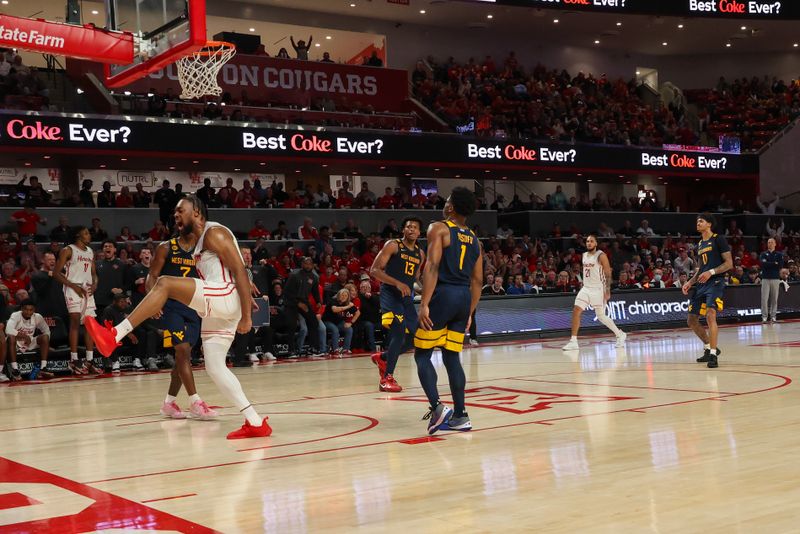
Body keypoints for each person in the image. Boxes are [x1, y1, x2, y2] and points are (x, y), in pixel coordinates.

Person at [84, 196, 271, 439]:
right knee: (215, 367)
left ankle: (114, 334)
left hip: (224, 297)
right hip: (221, 302)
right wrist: (240, 302)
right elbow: (235, 272)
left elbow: (239, 269)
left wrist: (245, 313)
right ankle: (255, 422)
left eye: (180, 211)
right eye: (174, 212)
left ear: (197, 212)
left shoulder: (215, 233)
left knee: (165, 284)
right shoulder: (198, 242)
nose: (175, 215)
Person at [413, 187, 482, 434]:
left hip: (443, 295)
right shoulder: (475, 239)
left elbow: (431, 267)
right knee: (452, 356)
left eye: (448, 201)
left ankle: (438, 408)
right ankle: (461, 415)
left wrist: (424, 304)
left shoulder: (439, 228)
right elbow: (477, 281)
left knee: (422, 355)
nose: (445, 203)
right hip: (463, 298)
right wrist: (470, 312)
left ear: (451, 207)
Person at [145, 231, 216, 418]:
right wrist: (154, 301)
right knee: (182, 351)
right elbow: (151, 276)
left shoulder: (202, 250)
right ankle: (196, 402)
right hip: (171, 307)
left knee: (183, 357)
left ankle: (168, 403)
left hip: (194, 307)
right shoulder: (166, 247)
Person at [369, 217, 424, 393]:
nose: (411, 229)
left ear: (419, 232)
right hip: (390, 295)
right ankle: (386, 378)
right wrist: (397, 283)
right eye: (408, 227)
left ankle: (383, 358)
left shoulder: (420, 254)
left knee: (416, 336)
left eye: (415, 227)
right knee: (399, 332)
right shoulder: (393, 245)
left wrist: (423, 290)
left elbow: (413, 280)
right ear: (403, 230)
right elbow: (375, 270)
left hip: (406, 298)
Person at [682, 213, 733, 369]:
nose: (698, 223)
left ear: (709, 224)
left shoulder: (719, 239)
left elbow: (729, 264)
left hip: (715, 282)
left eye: (701, 221)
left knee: (710, 314)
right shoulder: (700, 244)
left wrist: (711, 272)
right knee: (691, 320)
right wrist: (690, 282)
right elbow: (700, 270)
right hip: (701, 284)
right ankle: (709, 347)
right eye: (697, 221)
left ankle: (712, 355)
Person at [562, 235, 626, 351]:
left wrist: (607, 290)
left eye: (591, 241)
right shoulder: (584, 255)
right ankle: (573, 341)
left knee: (601, 316)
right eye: (587, 241)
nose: (589, 243)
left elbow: (607, 273)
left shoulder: (601, 255)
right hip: (586, 288)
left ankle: (620, 334)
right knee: (576, 310)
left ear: (596, 243)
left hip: (598, 289)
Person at [53, 226, 102, 375]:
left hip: (87, 289)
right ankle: (73, 360)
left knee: (90, 325)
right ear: (77, 235)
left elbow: (94, 274)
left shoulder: (90, 251)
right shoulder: (68, 250)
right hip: (72, 288)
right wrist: (74, 286)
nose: (89, 235)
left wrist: (95, 285)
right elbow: (56, 273)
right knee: (74, 322)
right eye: (86, 233)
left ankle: (89, 360)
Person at [4, 299, 52, 381]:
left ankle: (43, 368)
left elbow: (47, 331)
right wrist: (25, 336)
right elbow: (8, 330)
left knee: (45, 337)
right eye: (26, 309)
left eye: (31, 310)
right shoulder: (15, 315)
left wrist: (46, 344)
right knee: (11, 337)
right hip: (16, 343)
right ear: (21, 309)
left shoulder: (37, 317)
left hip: (29, 342)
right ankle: (15, 369)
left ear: (34, 310)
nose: (28, 312)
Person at [760, 237, 783, 323]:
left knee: (774, 299)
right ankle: (764, 317)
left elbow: (780, 265)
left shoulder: (779, 254)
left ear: (775, 244)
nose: (770, 244)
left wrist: (769, 263)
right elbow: (763, 264)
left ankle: (773, 316)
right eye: (769, 242)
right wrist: (774, 263)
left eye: (771, 242)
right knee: (764, 299)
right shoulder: (763, 254)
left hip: (775, 279)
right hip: (765, 279)